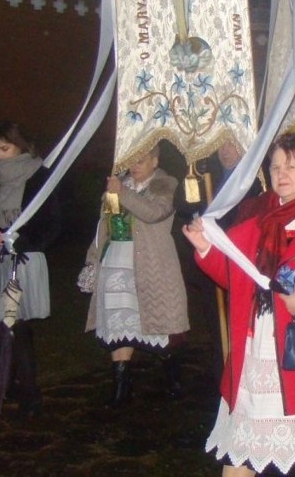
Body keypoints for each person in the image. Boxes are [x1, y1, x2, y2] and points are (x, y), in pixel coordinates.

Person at [182, 132, 295, 477]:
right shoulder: (257, 212)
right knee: (241, 453)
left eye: (291, 166)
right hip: (258, 352)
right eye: (275, 166)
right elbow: (236, 276)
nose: (281, 173)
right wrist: (206, 249)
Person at [0, 121, 62, 430]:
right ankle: (17, 389)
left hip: (23, 259)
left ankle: (23, 395)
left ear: (20, 147)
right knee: (9, 326)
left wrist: (20, 239)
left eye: (5, 148)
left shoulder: (38, 176)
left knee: (15, 326)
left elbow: (52, 223)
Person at [84, 143, 190, 408]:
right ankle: (122, 389)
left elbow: (154, 213)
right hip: (116, 265)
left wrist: (124, 194)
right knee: (120, 326)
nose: (136, 164)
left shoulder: (165, 182)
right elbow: (104, 225)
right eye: (132, 158)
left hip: (152, 266)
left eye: (142, 159)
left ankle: (173, 380)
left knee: (161, 324)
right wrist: (92, 261)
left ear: (155, 161)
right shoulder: (117, 185)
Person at [173, 139, 264, 391]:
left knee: (239, 318)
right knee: (215, 318)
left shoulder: (253, 180)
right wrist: (192, 179)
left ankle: (239, 372)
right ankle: (219, 370)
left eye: (231, 145)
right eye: (221, 146)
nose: (225, 151)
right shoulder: (207, 176)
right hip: (208, 258)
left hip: (236, 258)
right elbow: (183, 205)